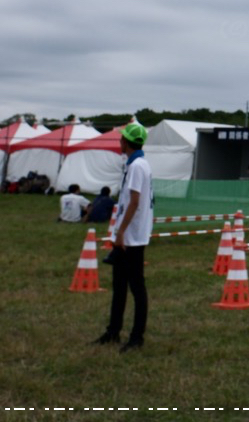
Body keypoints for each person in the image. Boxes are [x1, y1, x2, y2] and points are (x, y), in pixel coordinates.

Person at [94, 122, 153, 353]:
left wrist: (120, 232)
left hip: (132, 237)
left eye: (121, 139)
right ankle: (113, 331)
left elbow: (135, 201)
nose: (119, 142)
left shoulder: (137, 166)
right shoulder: (136, 164)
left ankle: (137, 337)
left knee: (136, 287)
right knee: (119, 286)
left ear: (126, 142)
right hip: (128, 235)